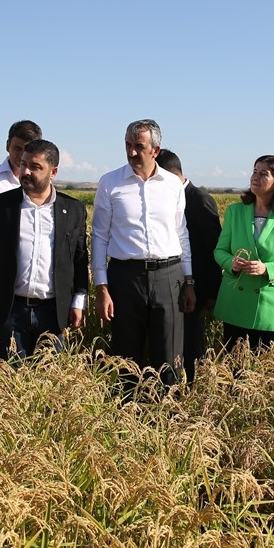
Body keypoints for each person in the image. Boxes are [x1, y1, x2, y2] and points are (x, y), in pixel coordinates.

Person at [92, 119, 195, 387]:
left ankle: (169, 414)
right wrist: (101, 287)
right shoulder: (110, 183)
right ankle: (127, 416)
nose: (131, 152)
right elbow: (100, 237)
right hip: (126, 278)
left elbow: (181, 233)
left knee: (169, 354)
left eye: (139, 146)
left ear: (155, 151)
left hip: (168, 276)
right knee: (126, 355)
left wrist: (189, 281)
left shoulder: (172, 184)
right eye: (128, 145)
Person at [0, 139, 89, 360]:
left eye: (35, 167)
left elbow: (79, 259)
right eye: (24, 164)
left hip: (52, 312)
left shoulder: (72, 209)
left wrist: (78, 302)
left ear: (53, 171)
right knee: (7, 378)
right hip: (10, 310)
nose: (26, 171)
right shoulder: (2, 206)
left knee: (47, 381)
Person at [213, 155, 274, 351]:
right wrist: (230, 263)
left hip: (270, 309)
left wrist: (266, 268)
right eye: (254, 171)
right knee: (232, 370)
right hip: (235, 302)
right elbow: (220, 251)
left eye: (263, 174)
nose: (255, 177)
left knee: (263, 376)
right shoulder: (234, 211)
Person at [155, 149, 221, 382]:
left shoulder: (199, 199)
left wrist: (211, 293)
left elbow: (214, 250)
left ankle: (194, 386)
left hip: (197, 288)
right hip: (173, 284)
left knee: (192, 343)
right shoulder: (167, 197)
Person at [0, 120, 42, 266]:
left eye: (27, 150)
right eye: (17, 148)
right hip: (0, 267)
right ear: (7, 145)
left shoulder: (42, 184)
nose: (22, 155)